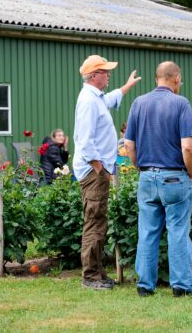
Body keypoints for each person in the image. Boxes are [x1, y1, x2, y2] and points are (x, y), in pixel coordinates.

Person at [124, 61, 192, 298]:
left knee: (148, 231)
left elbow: (129, 145)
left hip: (147, 177)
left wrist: (141, 168)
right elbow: (188, 148)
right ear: (175, 78)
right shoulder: (181, 103)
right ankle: (181, 285)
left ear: (156, 78)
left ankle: (144, 285)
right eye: (180, 80)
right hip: (174, 177)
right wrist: (190, 173)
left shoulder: (138, 103)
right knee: (178, 231)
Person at [73, 54, 141, 291]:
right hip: (94, 171)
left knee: (99, 220)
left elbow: (111, 99)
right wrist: (99, 168)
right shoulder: (89, 101)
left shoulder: (97, 97)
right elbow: (84, 140)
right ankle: (90, 277)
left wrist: (127, 86)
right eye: (105, 72)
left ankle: (98, 273)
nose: (109, 75)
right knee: (94, 222)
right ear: (94, 76)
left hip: (97, 170)